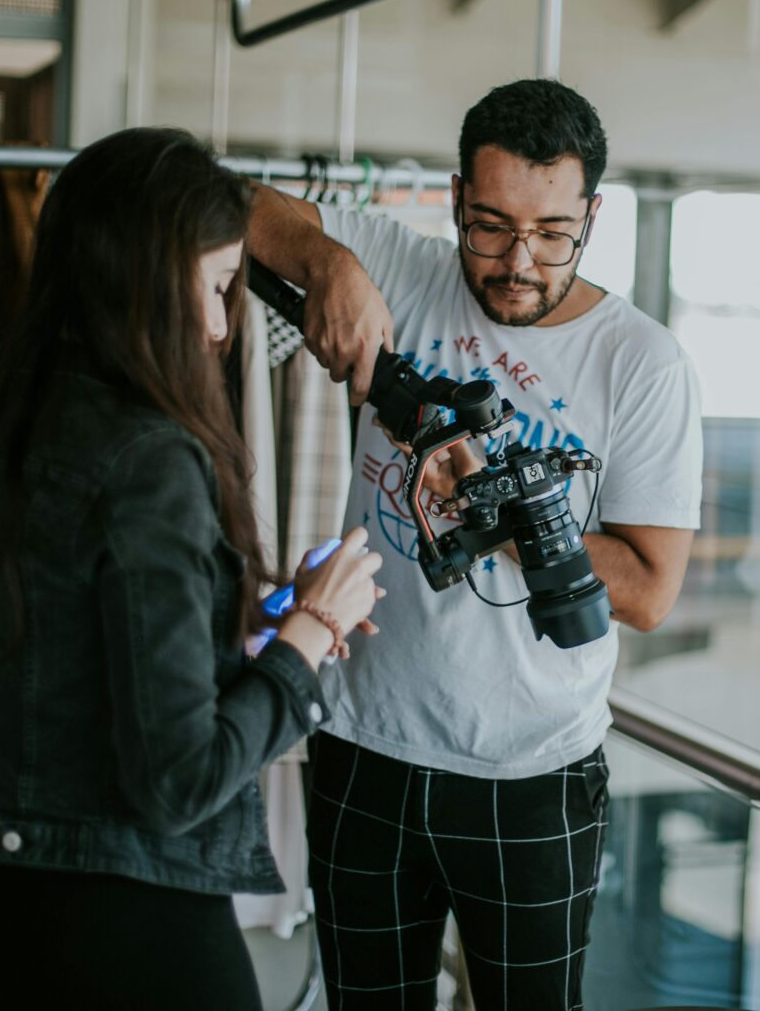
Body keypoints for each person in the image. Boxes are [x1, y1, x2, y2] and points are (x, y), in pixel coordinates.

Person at [0, 127, 383, 1010]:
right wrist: (310, 634)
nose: (218, 322)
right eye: (213, 285)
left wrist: (255, 617)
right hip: (127, 934)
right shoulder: (150, 458)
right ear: (141, 280)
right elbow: (179, 782)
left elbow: (66, 641)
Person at [247, 78, 703, 1009]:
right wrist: (328, 259)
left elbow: (652, 591)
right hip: (363, 744)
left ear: (593, 215)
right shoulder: (400, 265)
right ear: (456, 199)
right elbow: (207, 195)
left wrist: (490, 511)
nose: (519, 264)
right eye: (490, 227)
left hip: (533, 774)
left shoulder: (642, 363)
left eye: (551, 234)